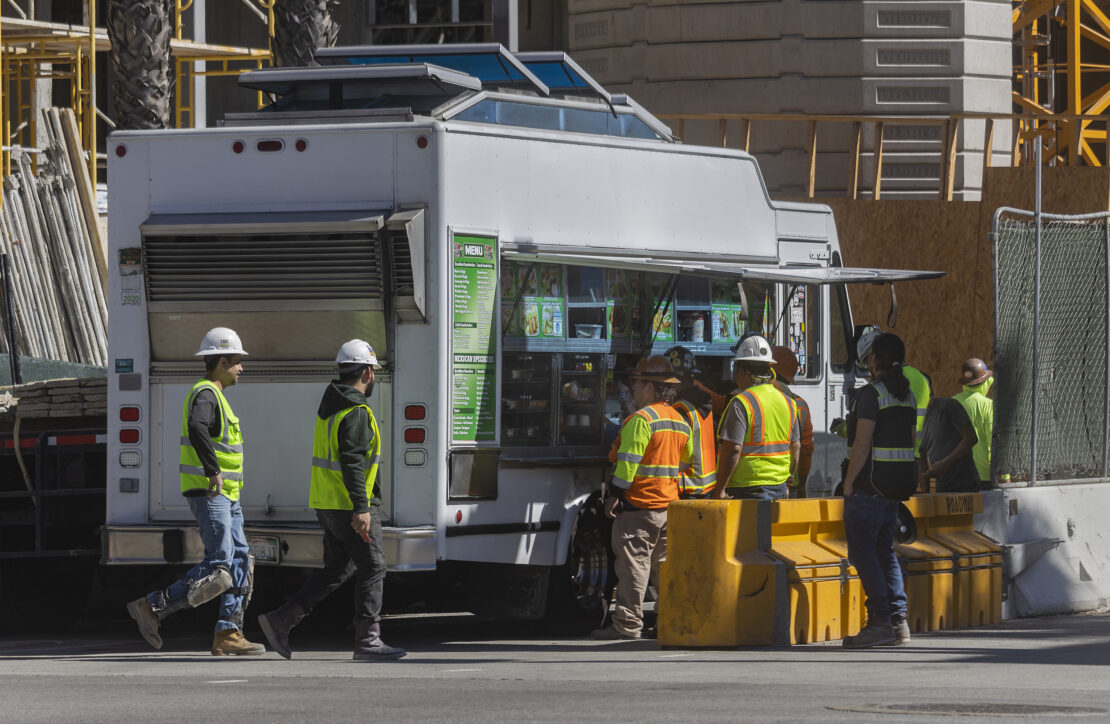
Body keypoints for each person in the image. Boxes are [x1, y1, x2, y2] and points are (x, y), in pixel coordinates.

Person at [258, 340, 406, 661]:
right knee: (374, 567)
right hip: (349, 507)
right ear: (367, 372)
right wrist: (362, 507)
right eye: (373, 371)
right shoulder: (356, 411)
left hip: (327, 504)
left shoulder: (331, 408)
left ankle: (282, 619)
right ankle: (368, 639)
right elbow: (352, 462)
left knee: (338, 569)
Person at [127, 327, 265, 655]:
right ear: (222, 362)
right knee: (219, 565)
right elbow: (196, 427)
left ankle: (228, 632)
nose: (241, 368)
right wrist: (212, 470)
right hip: (210, 493)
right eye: (236, 361)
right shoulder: (206, 394)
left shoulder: (216, 396)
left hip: (227, 495)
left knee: (240, 560)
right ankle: (151, 607)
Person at [591, 355, 692, 641]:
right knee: (664, 568)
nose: (633, 389)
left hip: (640, 506)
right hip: (668, 506)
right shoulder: (680, 420)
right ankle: (667, 621)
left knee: (633, 567)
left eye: (636, 384)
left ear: (650, 387)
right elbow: (687, 461)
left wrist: (614, 496)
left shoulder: (642, 420)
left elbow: (628, 464)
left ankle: (627, 625)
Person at [841, 332, 915, 648]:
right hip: (893, 489)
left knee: (863, 553)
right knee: (885, 552)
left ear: (874, 359)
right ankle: (898, 622)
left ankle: (880, 622)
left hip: (868, 488)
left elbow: (862, 444)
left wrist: (848, 482)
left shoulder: (872, 395)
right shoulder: (907, 395)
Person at [713, 335, 800, 502]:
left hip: (746, 490)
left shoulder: (741, 402)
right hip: (779, 488)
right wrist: (787, 480)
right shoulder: (789, 402)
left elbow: (733, 449)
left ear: (743, 370)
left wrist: (720, 489)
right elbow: (795, 447)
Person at [857, 326, 931, 462]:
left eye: (868, 361)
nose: (869, 368)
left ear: (875, 358)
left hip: (889, 459)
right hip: (913, 454)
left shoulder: (881, 387)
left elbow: (881, 426)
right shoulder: (922, 378)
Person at [664, 345, 718, 499]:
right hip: (707, 486)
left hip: (689, 489)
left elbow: (675, 453)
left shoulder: (680, 408)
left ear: (674, 379)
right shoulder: (703, 402)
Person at [770, 346, 814, 497]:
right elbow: (806, 449)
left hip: (758, 484)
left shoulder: (751, 400)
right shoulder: (800, 405)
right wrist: (802, 484)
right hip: (789, 485)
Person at [920, 397, 979, 493]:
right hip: (941, 488)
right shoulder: (917, 419)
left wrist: (944, 464)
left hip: (965, 485)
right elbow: (921, 458)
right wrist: (926, 494)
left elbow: (971, 437)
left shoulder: (948, 405)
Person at [953, 358, 994, 489]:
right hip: (982, 476)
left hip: (956, 474)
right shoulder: (988, 405)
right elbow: (994, 442)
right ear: (984, 382)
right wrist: (1005, 476)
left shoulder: (951, 403)